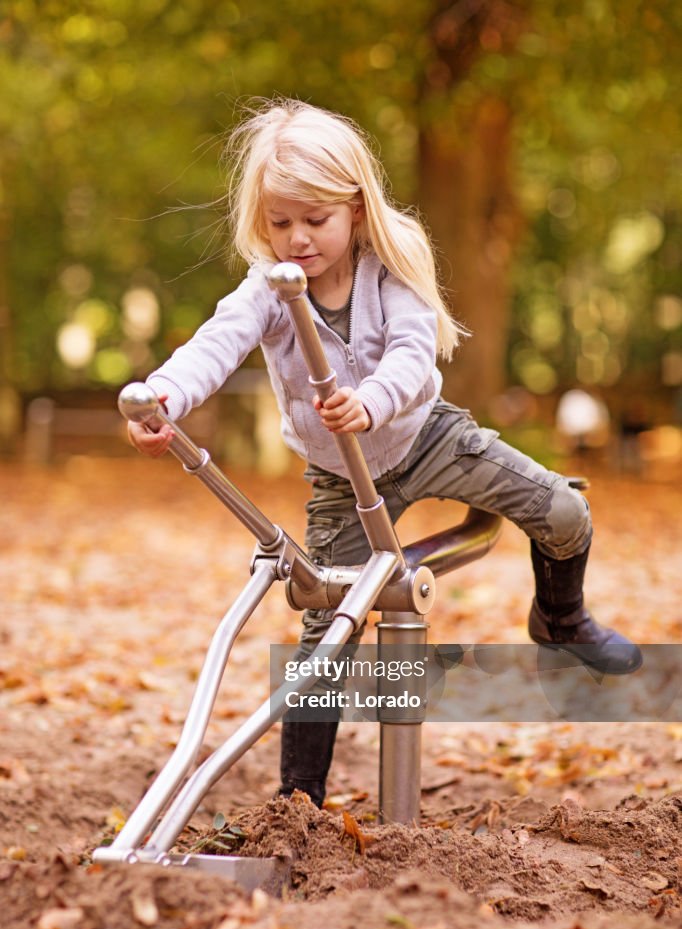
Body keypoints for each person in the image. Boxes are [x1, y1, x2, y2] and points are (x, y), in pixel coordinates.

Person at [128, 99, 641, 808]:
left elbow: (411, 351)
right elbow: (216, 344)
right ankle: (297, 800)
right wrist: (163, 397)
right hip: (341, 479)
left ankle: (561, 618)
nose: (298, 239)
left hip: (425, 436)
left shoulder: (387, 270)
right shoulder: (269, 288)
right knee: (324, 631)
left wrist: (370, 400)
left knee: (563, 511)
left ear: (357, 210)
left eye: (316, 220)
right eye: (280, 223)